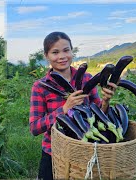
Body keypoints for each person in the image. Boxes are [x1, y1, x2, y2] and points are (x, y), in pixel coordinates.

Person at [29, 32, 117, 180]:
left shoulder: (87, 78)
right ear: (46, 56)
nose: (62, 56)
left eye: (66, 50)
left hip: (87, 150)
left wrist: (106, 101)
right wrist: (64, 108)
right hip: (53, 151)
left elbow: (100, 115)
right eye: (55, 52)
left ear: (72, 51)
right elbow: (34, 128)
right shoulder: (40, 86)